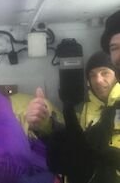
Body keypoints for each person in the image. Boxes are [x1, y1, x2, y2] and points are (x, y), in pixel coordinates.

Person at [26, 49, 120, 182]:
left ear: (117, 75)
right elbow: (69, 134)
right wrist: (44, 123)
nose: (98, 80)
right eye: (92, 75)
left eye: (105, 73)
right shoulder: (82, 108)